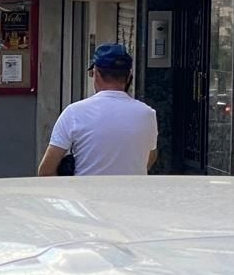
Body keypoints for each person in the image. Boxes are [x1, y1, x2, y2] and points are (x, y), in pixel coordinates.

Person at [39, 43, 158, 176]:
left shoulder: (74, 113)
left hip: (85, 195)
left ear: (96, 74)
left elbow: (46, 170)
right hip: (132, 195)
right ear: (129, 76)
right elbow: (149, 158)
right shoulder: (147, 114)